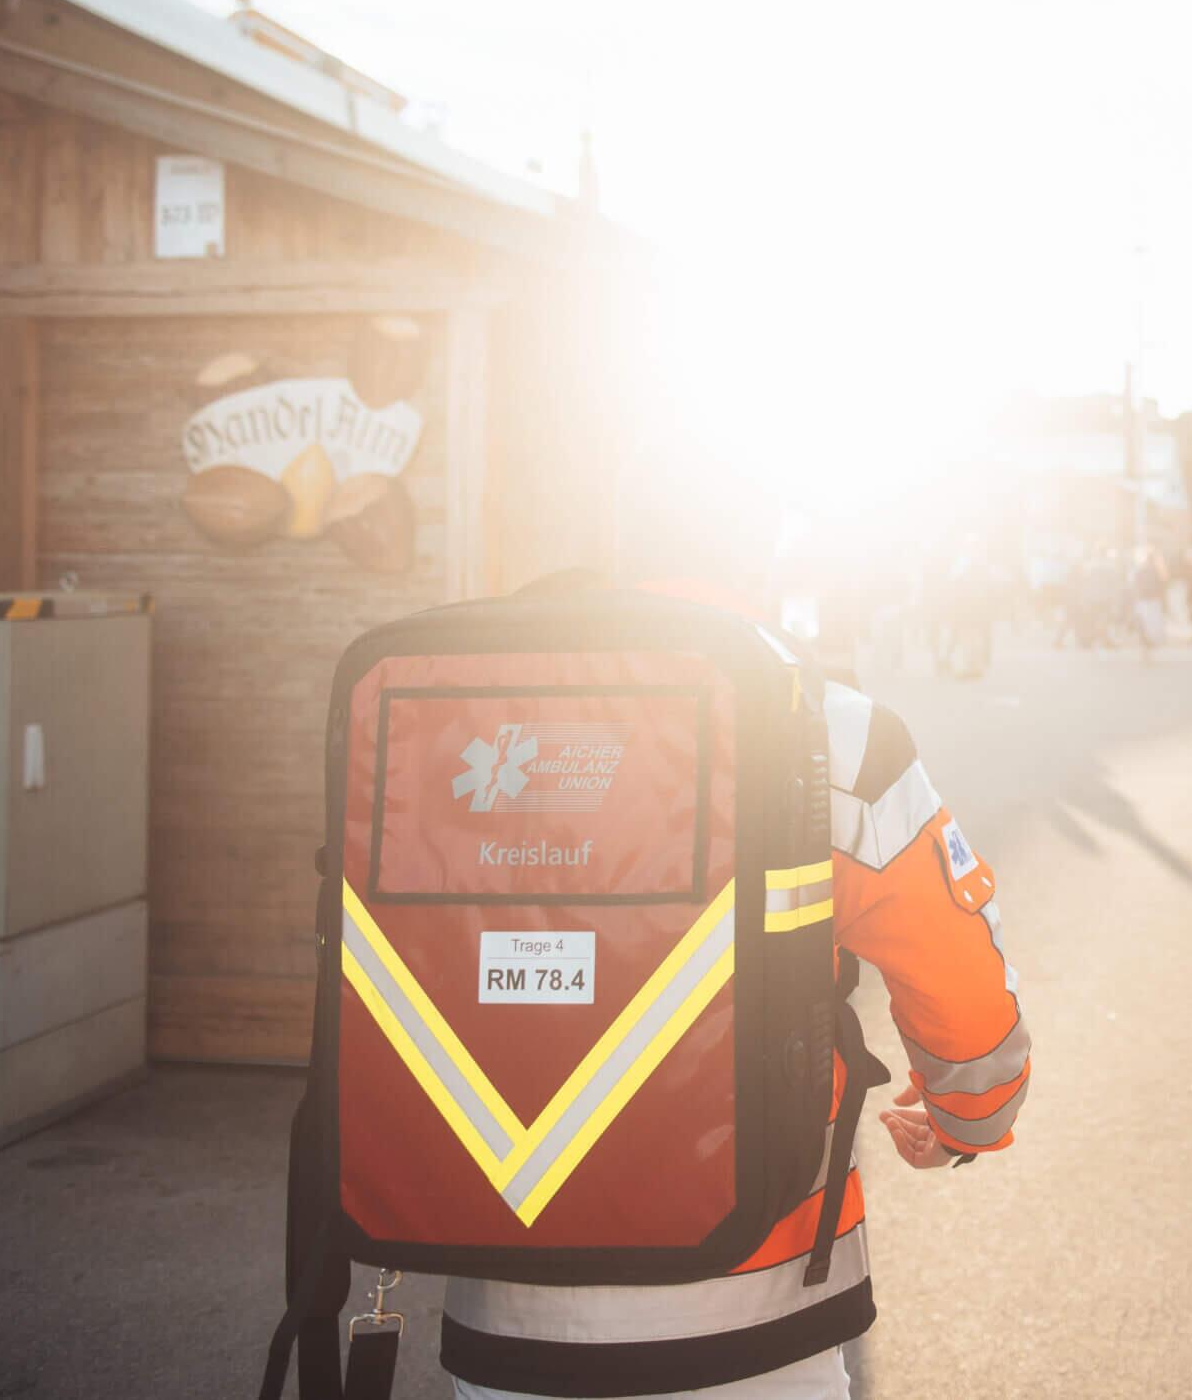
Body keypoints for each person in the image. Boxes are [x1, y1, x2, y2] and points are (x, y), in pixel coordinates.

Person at [436, 444, 1033, 1400]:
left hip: (508, 1309)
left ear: (624, 549)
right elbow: (963, 992)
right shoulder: (837, 731)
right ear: (763, 553)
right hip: (757, 1317)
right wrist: (969, 1120)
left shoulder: (469, 718)